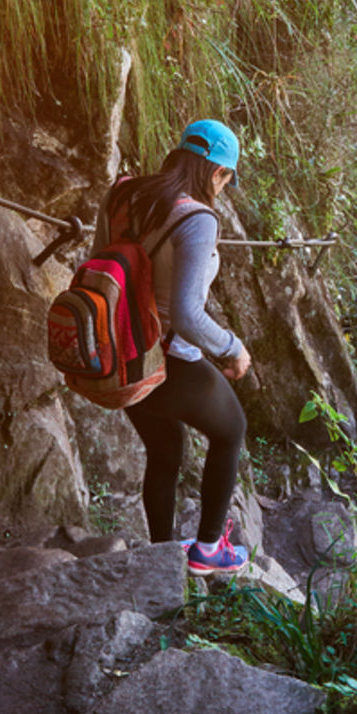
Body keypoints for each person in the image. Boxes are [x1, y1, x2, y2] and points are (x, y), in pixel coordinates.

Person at [91, 118, 251, 576]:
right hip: (167, 360)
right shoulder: (198, 219)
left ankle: (163, 555)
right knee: (231, 429)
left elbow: (99, 260)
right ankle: (206, 550)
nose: (223, 188)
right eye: (226, 178)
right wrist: (233, 349)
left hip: (120, 355)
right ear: (216, 172)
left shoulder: (124, 194)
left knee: (165, 448)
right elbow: (186, 315)